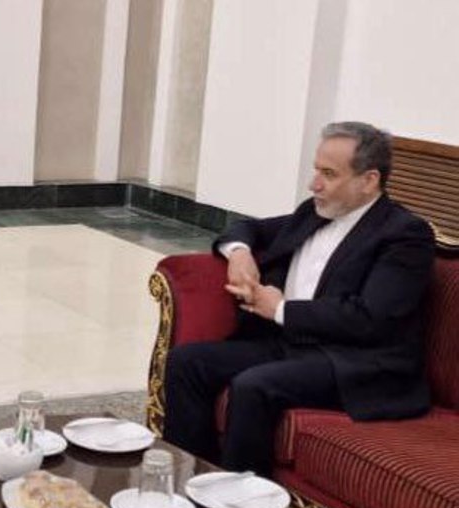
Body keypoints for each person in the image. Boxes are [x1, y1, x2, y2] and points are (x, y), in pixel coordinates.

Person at [163, 121, 435, 477]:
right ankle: (187, 481)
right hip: (289, 343)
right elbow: (250, 229)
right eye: (315, 170)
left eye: (329, 174)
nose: (314, 184)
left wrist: (278, 308)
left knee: (255, 386)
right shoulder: (315, 211)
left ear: (369, 180)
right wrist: (240, 253)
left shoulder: (404, 235)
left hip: (351, 360)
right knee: (187, 362)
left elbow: (370, 318)